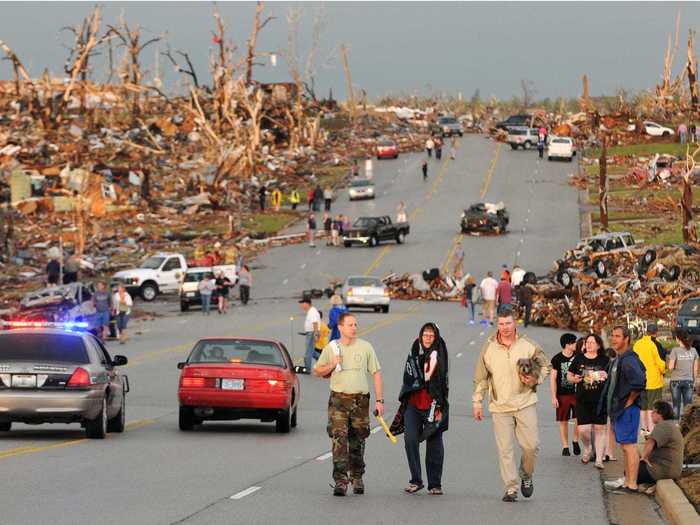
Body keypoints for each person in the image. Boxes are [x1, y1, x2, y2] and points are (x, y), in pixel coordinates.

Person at [473, 308, 548, 502]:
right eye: (501, 324)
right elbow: (481, 377)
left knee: (531, 446)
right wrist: (477, 401)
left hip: (525, 403)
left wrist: (535, 380)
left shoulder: (527, 345)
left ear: (515, 323)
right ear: (497, 324)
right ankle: (511, 487)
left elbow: (545, 365)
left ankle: (527, 475)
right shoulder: (488, 347)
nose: (505, 328)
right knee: (505, 450)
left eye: (508, 323)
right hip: (500, 407)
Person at [314, 312, 384, 496]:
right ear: (340, 327)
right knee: (339, 438)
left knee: (357, 440)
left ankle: (357, 476)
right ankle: (340, 481)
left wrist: (379, 401)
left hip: (360, 401)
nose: (354, 328)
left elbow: (376, 373)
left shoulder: (366, 347)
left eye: (355, 324)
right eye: (350, 325)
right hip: (339, 400)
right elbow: (318, 371)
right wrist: (332, 364)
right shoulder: (332, 348)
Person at [396, 323, 449, 495]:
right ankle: (416, 480)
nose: (427, 338)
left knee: (434, 444)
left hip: (433, 405)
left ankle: (435, 484)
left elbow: (441, 382)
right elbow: (408, 376)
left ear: (436, 337)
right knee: (410, 440)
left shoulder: (439, 353)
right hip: (413, 404)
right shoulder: (414, 350)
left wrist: (439, 405)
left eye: (431, 336)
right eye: (425, 335)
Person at [603, 325, 646, 493]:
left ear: (626, 339)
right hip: (620, 410)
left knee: (630, 447)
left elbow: (640, 381)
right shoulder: (620, 358)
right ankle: (628, 481)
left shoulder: (628, 359)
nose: (614, 339)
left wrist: (629, 401)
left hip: (628, 410)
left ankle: (632, 484)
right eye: (612, 335)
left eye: (618, 336)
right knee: (625, 447)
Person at [605, 401, 683, 490]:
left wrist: (644, 457)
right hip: (670, 469)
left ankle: (625, 482)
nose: (651, 414)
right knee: (634, 465)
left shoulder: (663, 426)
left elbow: (651, 442)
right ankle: (629, 481)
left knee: (632, 469)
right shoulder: (669, 424)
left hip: (665, 470)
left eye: (653, 412)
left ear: (660, 414)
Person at [567, 334, 609, 469]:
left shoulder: (604, 360)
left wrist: (604, 375)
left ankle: (598, 460)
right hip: (582, 399)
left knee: (599, 428)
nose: (589, 345)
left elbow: (609, 376)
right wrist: (574, 379)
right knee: (583, 429)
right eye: (587, 342)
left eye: (592, 342)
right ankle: (588, 447)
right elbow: (569, 376)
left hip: (600, 400)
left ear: (598, 345)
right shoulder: (578, 358)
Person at [550, 333, 581, 456]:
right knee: (563, 420)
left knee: (579, 418)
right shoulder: (557, 359)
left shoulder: (578, 357)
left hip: (577, 393)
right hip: (562, 394)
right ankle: (565, 446)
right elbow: (553, 378)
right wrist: (553, 396)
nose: (575, 344)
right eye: (574, 342)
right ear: (568, 345)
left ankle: (575, 440)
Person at [633, 324, 666, 433]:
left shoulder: (637, 344)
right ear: (656, 332)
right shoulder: (654, 345)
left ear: (646, 332)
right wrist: (663, 370)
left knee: (643, 406)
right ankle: (651, 429)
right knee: (651, 406)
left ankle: (643, 428)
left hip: (640, 380)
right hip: (653, 380)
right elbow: (659, 362)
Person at [668, 328, 698, 421]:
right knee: (688, 406)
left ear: (677, 338)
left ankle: (676, 425)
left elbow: (670, 367)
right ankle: (687, 425)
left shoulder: (675, 350)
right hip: (689, 381)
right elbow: (695, 368)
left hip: (675, 381)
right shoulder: (693, 350)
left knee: (676, 405)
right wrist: (694, 381)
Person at [300, 298, 321, 372]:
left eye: (303, 303)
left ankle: (307, 369)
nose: (301, 305)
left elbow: (315, 323)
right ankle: (324, 360)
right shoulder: (311, 311)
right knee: (311, 351)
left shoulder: (312, 312)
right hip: (311, 332)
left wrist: (315, 334)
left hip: (312, 333)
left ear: (307, 304)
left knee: (308, 352)